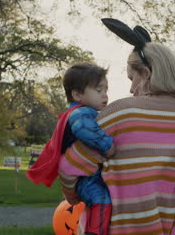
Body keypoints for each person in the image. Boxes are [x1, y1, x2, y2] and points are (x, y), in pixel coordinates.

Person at [58, 18, 175, 235]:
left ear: (146, 74)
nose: (132, 88)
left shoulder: (120, 112)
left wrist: (74, 197)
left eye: (132, 78)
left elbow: (70, 169)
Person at [26, 63, 115, 235]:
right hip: (83, 177)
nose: (105, 95)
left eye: (106, 89)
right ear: (77, 94)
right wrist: (107, 145)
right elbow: (83, 129)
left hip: (85, 172)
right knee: (101, 198)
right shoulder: (80, 113)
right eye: (99, 90)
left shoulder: (82, 111)